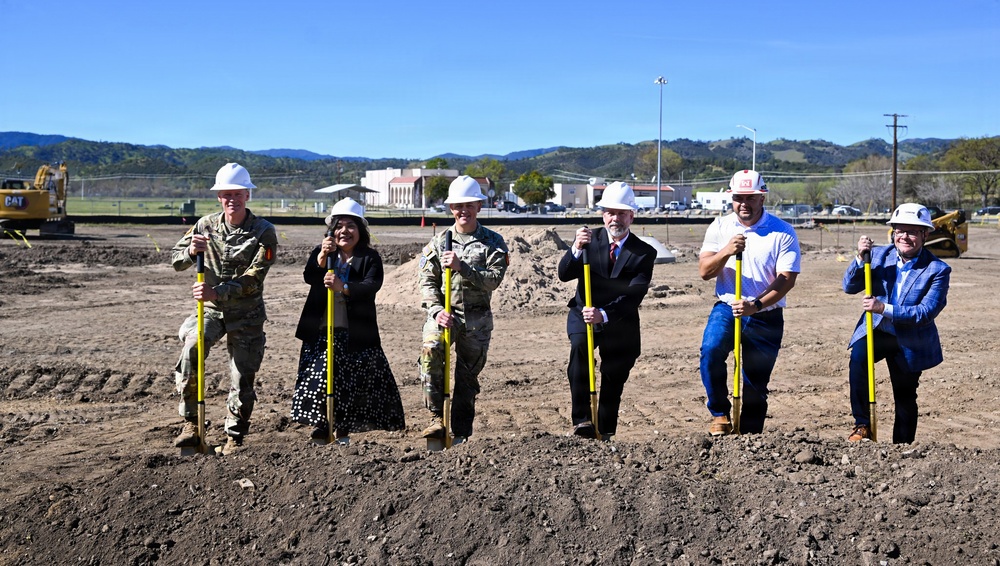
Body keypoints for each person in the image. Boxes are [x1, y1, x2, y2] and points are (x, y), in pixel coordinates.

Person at [171, 163, 278, 455]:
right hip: (211, 311)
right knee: (192, 349)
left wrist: (216, 291)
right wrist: (191, 251)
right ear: (219, 197)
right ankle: (191, 423)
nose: (232, 199)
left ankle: (234, 436)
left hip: (246, 314)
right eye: (226, 194)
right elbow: (176, 260)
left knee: (242, 376)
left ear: (247, 195)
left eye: (237, 194)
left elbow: (254, 278)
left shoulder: (264, 232)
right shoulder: (204, 225)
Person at [291, 197, 405, 444]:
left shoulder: (370, 257)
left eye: (351, 226)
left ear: (360, 231)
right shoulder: (323, 253)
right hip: (321, 329)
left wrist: (343, 287)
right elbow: (310, 276)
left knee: (351, 384)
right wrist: (323, 255)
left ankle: (343, 429)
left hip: (355, 332)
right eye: (339, 226)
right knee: (319, 379)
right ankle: (322, 426)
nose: (345, 231)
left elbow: (372, 285)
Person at [697, 169, 801, 436]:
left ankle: (750, 439)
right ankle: (719, 414)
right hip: (727, 307)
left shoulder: (782, 231)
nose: (744, 203)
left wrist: (756, 305)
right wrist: (726, 251)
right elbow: (705, 271)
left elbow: (786, 280)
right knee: (711, 351)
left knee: (755, 384)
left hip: (766, 314)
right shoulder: (720, 227)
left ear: (762, 197)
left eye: (750, 198)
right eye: (738, 198)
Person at [843, 203, 950, 444]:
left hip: (910, 339)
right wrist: (860, 258)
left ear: (925, 234)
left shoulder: (938, 270)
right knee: (858, 359)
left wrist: (883, 308)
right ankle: (862, 424)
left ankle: (901, 447)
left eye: (912, 232)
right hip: (878, 331)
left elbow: (925, 312)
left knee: (904, 396)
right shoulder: (879, 256)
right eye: (900, 231)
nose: (904, 237)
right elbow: (849, 287)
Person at [557, 181, 656, 441]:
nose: (616, 218)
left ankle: (605, 430)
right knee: (580, 350)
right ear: (603, 215)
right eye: (611, 212)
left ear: (631, 216)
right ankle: (582, 421)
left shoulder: (644, 252)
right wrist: (576, 249)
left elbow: (634, 294)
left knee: (614, 374)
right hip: (583, 312)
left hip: (620, 320)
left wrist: (604, 314)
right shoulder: (589, 240)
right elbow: (564, 274)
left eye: (622, 213)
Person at [418, 176, 509, 444]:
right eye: (458, 206)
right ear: (451, 208)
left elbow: (494, 280)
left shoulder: (493, 242)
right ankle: (436, 418)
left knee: (467, 378)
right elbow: (427, 281)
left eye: (469, 205)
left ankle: (461, 434)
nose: (464, 211)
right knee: (431, 351)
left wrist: (463, 268)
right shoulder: (439, 242)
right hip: (444, 316)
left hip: (477, 321)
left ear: (479, 206)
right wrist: (436, 310)